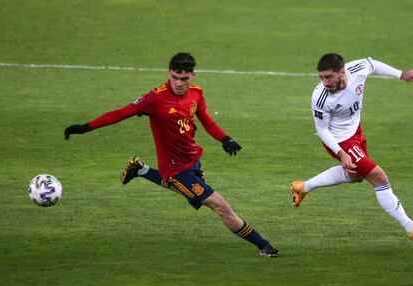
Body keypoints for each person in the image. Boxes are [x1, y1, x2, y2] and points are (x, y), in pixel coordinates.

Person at [64, 52, 279, 257]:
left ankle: (141, 170)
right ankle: (264, 246)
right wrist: (85, 127)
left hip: (193, 159)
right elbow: (121, 113)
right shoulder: (154, 99)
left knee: (191, 196)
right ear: (168, 73)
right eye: (174, 77)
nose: (178, 83)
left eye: (184, 78)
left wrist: (225, 138)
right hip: (175, 168)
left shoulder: (196, 92)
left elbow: (206, 120)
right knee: (220, 206)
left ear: (192, 75)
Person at [291, 53, 413, 239]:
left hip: (356, 132)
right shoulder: (320, 98)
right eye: (321, 78)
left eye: (329, 77)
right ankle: (409, 226)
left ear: (342, 72)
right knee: (379, 177)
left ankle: (302, 187)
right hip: (339, 141)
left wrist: (401, 74)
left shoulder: (356, 69)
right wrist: (341, 153)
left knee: (355, 177)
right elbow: (322, 131)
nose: (325, 82)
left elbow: (373, 64)